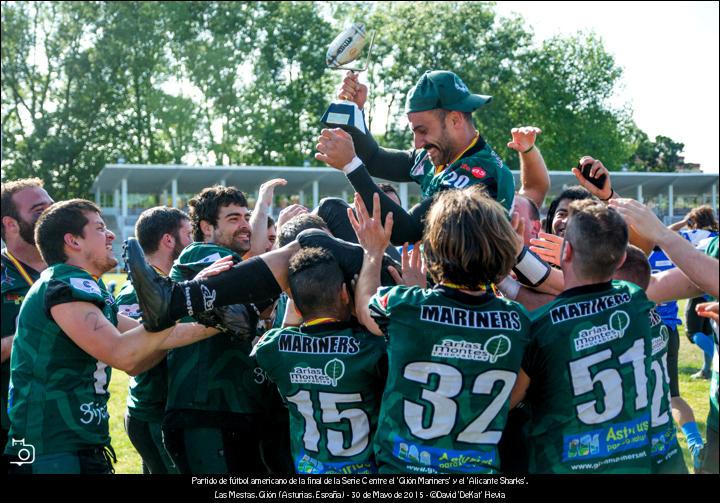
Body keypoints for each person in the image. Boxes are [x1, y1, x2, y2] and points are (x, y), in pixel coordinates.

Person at [4, 200, 220, 474]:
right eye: (99, 227)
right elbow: (123, 354)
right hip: (51, 449)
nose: (112, 235)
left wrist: (214, 320)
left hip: (78, 444)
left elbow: (145, 348)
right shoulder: (64, 283)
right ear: (73, 241)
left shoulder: (88, 288)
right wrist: (181, 304)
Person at [352, 187, 531, 473]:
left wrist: (373, 252)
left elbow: (364, 308)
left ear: (434, 245)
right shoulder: (518, 320)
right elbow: (513, 395)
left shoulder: (405, 306)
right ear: (502, 245)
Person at [317, 70, 549, 246]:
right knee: (329, 212)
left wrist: (351, 165)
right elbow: (375, 158)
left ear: (455, 120)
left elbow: (405, 231)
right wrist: (353, 111)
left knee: (327, 221)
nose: (417, 143)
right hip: (435, 281)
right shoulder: (440, 154)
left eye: (423, 131)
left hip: (467, 298)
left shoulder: (480, 172)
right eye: (414, 132)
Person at [512, 200, 655, 473]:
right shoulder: (635, 300)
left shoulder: (541, 328)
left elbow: (507, 401)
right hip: (629, 464)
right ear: (622, 258)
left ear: (565, 252)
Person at [160, 185, 277, 474]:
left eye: (246, 217)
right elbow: (241, 300)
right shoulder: (202, 253)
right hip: (204, 411)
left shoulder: (235, 260)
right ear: (206, 227)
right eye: (233, 218)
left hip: (229, 409)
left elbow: (255, 269)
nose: (245, 225)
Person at [252, 247, 386, 474]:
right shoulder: (370, 347)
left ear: (294, 305)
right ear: (345, 293)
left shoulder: (273, 347)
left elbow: (275, 341)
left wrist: (298, 299)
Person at [114, 207, 193, 474]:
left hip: (163, 412)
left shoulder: (167, 282)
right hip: (151, 415)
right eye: (189, 234)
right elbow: (135, 357)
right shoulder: (134, 291)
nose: (193, 241)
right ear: (169, 240)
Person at [612, 245, 687, 473]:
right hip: (664, 449)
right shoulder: (650, 318)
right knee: (674, 396)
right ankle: (693, 441)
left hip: (632, 453)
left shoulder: (618, 328)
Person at [0, 178, 54, 471]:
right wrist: (25, 335)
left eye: (52, 206)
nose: (50, 214)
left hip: (66, 430)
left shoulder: (72, 273)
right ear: (10, 224)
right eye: (39, 210)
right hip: (9, 430)